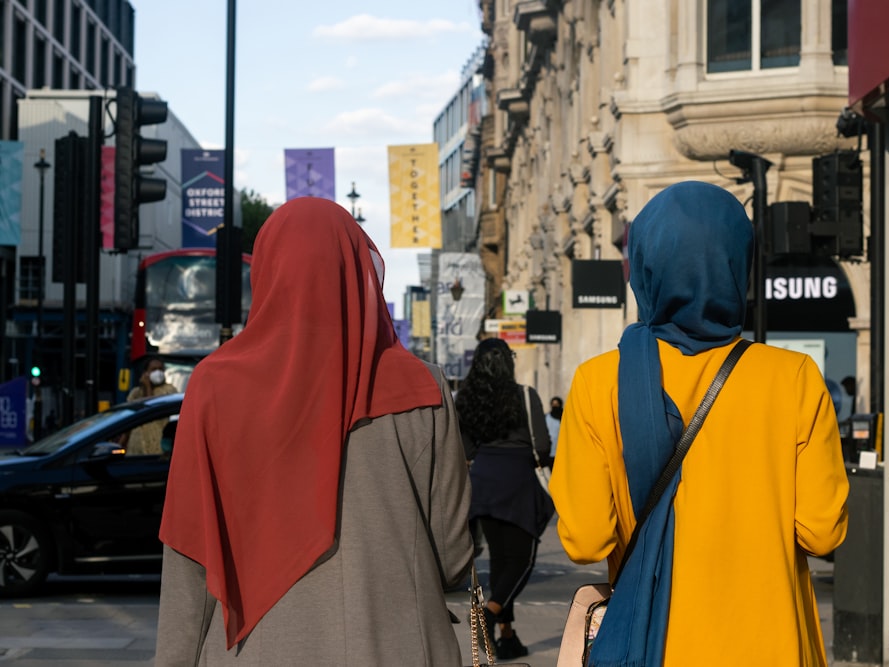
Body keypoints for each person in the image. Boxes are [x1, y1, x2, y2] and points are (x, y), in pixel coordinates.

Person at [154, 197, 473, 665]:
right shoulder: (423, 388)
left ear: (266, 272)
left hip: (257, 649)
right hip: (398, 645)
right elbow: (453, 556)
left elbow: (190, 558)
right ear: (357, 270)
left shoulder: (214, 387)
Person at [549, 181, 849, 667]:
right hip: (771, 645)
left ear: (644, 271)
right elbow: (822, 533)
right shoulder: (794, 378)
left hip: (654, 647)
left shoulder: (598, 382)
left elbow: (585, 539)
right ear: (738, 266)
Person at [455, 338, 554, 660]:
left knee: (500, 560)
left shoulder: (467, 401)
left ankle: (506, 635)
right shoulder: (525, 395)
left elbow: (466, 450)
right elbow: (541, 446)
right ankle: (491, 612)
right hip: (518, 482)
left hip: (482, 482)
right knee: (522, 561)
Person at [125, 356, 178, 455]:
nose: (158, 372)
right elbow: (128, 419)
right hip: (135, 447)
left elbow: (151, 407)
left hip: (155, 445)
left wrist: (148, 386)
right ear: (146, 372)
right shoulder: (136, 392)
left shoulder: (168, 390)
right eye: (154, 369)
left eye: (160, 369)